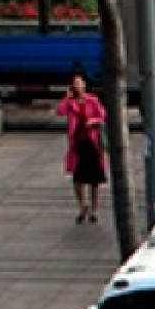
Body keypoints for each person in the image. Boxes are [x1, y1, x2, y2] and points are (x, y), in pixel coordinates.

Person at [55, 72, 107, 224]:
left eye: (79, 83)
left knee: (94, 179)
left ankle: (94, 209)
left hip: (92, 142)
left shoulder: (92, 100)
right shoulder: (70, 102)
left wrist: (93, 121)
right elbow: (59, 111)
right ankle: (82, 206)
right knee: (78, 178)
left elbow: (102, 115)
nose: (77, 86)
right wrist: (67, 97)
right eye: (74, 83)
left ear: (84, 84)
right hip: (77, 143)